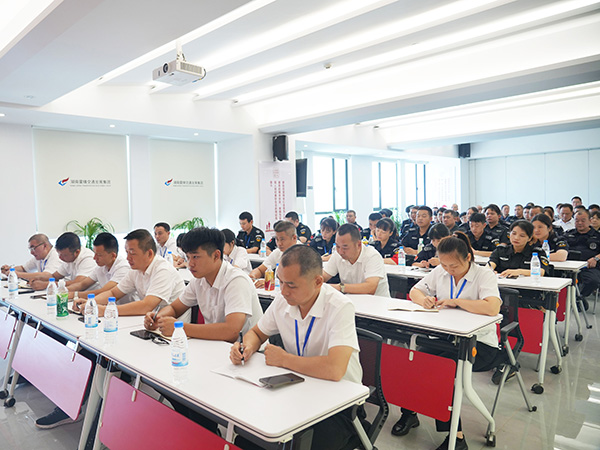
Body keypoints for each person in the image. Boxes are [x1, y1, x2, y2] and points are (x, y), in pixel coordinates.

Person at [230, 245, 362, 450]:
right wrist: (246, 348)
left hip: (338, 402)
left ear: (318, 282)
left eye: (291, 285)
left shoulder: (340, 307)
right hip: (296, 388)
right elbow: (256, 333)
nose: (283, 291)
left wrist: (284, 359)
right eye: (281, 282)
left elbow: (335, 369)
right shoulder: (283, 301)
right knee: (251, 436)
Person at [391, 233, 501, 450]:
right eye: (444, 265)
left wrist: (456, 301)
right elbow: (415, 290)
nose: (449, 270)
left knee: (440, 371)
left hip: (478, 344)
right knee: (414, 363)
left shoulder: (483, 274)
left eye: (454, 266)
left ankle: (456, 437)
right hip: (445, 337)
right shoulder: (440, 271)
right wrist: (424, 300)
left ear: (468, 257)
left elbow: (492, 307)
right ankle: (410, 413)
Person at [145, 227, 262, 340]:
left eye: (195, 257)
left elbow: (231, 331)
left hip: (248, 350)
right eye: (188, 257)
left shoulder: (236, 280)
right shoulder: (199, 280)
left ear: (216, 255)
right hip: (215, 344)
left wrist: (181, 328)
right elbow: (174, 308)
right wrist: (158, 318)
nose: (190, 264)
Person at [74, 229, 185, 317]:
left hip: (173, 328)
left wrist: (106, 310)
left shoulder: (163, 270)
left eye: (132, 253)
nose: (127, 258)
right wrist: (91, 302)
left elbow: (147, 306)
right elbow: (113, 293)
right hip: (150, 322)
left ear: (149, 254)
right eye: (127, 252)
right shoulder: (135, 270)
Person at [65, 232, 137, 303]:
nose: (94, 258)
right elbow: (83, 284)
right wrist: (64, 290)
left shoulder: (123, 268)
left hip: (127, 307)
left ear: (113, 255)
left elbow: (104, 291)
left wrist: (75, 295)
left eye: (99, 255)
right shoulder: (101, 266)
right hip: (110, 306)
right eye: (95, 253)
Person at [323, 223, 390, 297]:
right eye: (338, 246)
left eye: (345, 247)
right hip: (351, 300)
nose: (340, 251)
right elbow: (323, 276)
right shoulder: (337, 254)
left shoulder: (372, 256)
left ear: (358, 245)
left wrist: (340, 287)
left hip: (377, 302)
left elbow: (370, 288)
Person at [29, 232, 96, 291]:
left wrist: (46, 284)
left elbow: (78, 283)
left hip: (90, 295)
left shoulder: (88, 259)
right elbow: (54, 276)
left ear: (77, 252)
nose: (60, 258)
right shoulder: (68, 258)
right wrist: (38, 278)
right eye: (59, 254)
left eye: (64, 255)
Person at [563, 210, 600, 310]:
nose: (579, 223)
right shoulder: (568, 234)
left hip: (588, 267)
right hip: (568, 267)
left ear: (590, 221)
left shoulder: (597, 236)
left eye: (583, 220)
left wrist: (596, 258)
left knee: (593, 281)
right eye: (577, 220)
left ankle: (579, 297)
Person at [249, 221, 298, 288]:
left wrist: (270, 282)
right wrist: (252, 277)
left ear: (294, 238)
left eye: (282, 239)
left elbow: (298, 282)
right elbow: (260, 270)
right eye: (277, 239)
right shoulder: (278, 252)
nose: (279, 243)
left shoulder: (304, 254)